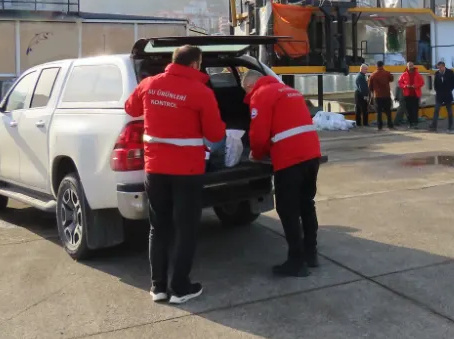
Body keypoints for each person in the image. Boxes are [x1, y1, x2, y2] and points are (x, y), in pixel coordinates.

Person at [124, 45, 225, 304]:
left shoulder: (149, 84)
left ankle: (158, 287)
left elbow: (130, 108)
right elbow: (215, 134)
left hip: (155, 170)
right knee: (186, 228)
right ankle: (180, 288)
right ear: (194, 64)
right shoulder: (201, 92)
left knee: (158, 228)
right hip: (187, 172)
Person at [243, 70, 322, 277]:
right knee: (306, 203)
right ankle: (311, 254)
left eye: (246, 92)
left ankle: (296, 262)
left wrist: (256, 155)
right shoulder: (289, 90)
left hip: (289, 158)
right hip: (312, 154)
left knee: (287, 209)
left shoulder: (261, 94)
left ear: (251, 86)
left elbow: (258, 134)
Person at [367, 60, 395, 130]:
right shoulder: (387, 73)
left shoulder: (373, 75)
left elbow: (370, 87)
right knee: (388, 111)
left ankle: (380, 127)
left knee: (378, 112)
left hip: (378, 96)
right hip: (386, 95)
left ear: (376, 66)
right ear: (383, 65)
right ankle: (390, 125)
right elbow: (391, 79)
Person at [429, 61, 454, 131]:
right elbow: (435, 84)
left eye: (440, 67)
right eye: (438, 68)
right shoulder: (437, 73)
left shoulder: (450, 72)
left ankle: (451, 125)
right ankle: (434, 125)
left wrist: (449, 90)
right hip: (439, 95)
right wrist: (437, 91)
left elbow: (453, 83)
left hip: (447, 94)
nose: (439, 69)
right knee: (436, 110)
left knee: (449, 111)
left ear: (444, 66)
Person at [398, 61, 425, 128]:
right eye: (409, 66)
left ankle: (415, 123)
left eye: (411, 66)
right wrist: (405, 86)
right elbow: (400, 83)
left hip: (416, 95)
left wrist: (416, 86)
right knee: (408, 110)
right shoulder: (404, 74)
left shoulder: (417, 74)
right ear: (407, 66)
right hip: (407, 95)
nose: (410, 67)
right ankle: (410, 123)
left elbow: (422, 83)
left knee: (415, 109)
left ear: (413, 66)